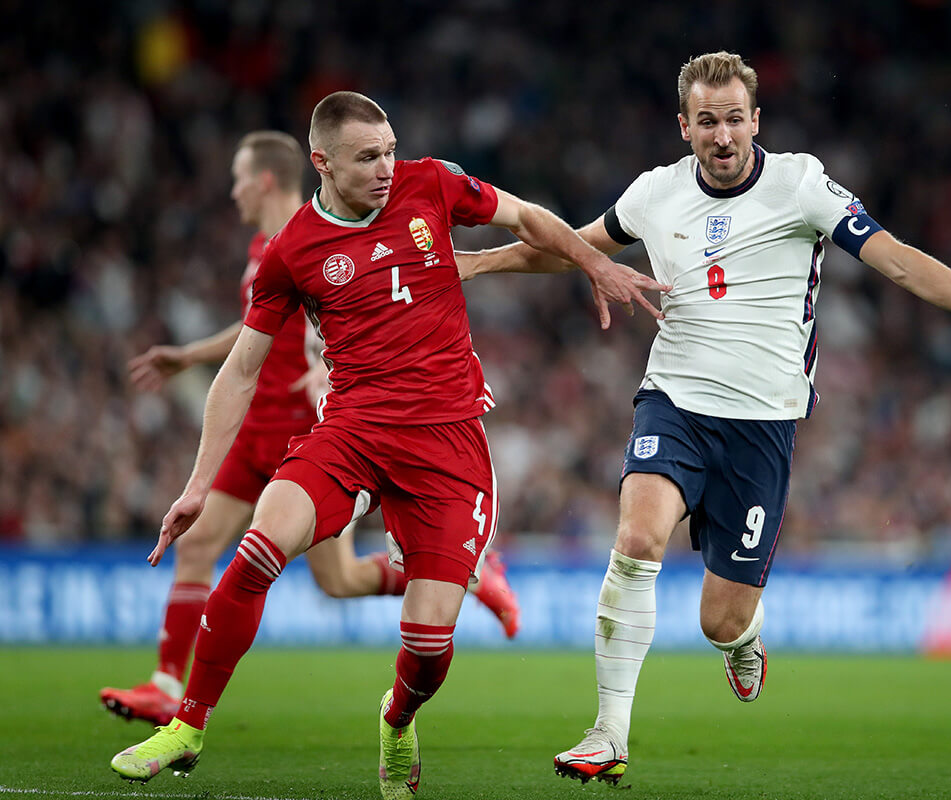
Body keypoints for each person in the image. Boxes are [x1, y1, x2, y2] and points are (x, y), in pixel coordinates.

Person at [458, 50, 951, 786]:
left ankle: (745, 639)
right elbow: (573, 248)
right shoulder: (655, 194)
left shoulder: (802, 184)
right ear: (685, 127)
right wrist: (478, 264)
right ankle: (608, 733)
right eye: (707, 121)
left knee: (720, 621)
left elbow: (892, 258)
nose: (724, 135)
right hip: (672, 401)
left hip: (762, 427)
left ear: (755, 120)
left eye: (735, 118)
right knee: (637, 537)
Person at [108, 91, 667, 797]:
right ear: (322, 162)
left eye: (390, 150)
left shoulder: (430, 182)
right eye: (367, 157)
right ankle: (186, 726)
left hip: (447, 441)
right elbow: (243, 368)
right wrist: (196, 485)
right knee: (257, 547)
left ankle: (397, 719)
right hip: (352, 430)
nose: (385, 168)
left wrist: (594, 262)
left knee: (429, 650)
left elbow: (525, 216)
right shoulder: (292, 252)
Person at [99, 131, 522, 730]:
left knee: (340, 580)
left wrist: (323, 372)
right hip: (258, 427)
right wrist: (193, 355)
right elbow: (256, 332)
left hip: (318, 424)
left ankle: (467, 574)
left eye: (240, 178)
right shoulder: (272, 249)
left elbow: (343, 317)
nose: (233, 191)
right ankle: (172, 687)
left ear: (265, 179)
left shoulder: (323, 235)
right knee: (203, 546)